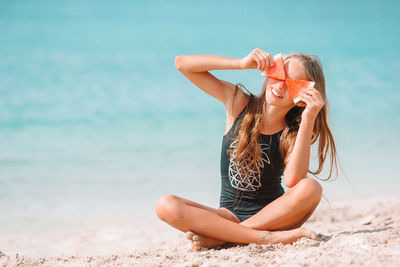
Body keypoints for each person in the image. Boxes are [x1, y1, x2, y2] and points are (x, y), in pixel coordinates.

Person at [155, 48, 338, 251]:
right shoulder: (239, 103)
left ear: (303, 96)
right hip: (226, 216)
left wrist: (309, 117)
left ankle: (227, 237)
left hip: (274, 217)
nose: (280, 86)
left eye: (292, 84)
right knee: (166, 205)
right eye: (280, 75)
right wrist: (240, 63)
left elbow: (293, 180)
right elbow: (182, 63)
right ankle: (261, 238)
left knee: (311, 188)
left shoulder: (293, 132)